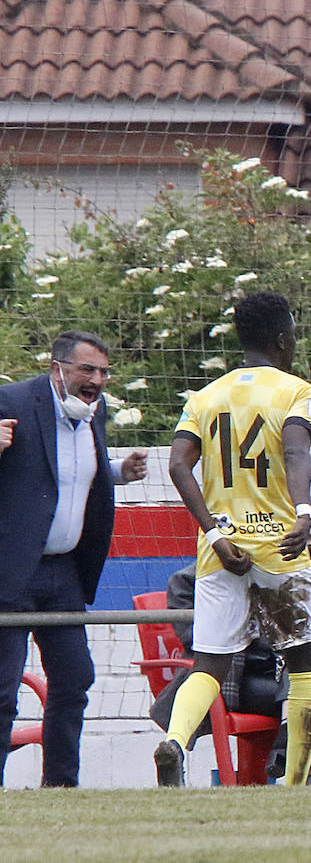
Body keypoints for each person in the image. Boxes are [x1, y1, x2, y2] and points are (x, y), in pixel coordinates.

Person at [153, 291, 311, 788]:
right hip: (281, 544)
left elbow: (177, 464)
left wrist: (212, 530)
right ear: (280, 339)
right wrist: (304, 513)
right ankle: (294, 783)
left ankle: (176, 741)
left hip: (220, 551)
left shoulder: (205, 397)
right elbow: (296, 452)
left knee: (208, 663)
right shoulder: (298, 391)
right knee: (303, 667)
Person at [0, 331, 148, 787]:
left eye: (104, 372)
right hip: (11, 571)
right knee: (3, 692)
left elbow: (73, 471)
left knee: (74, 678)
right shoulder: (12, 401)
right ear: (57, 367)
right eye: (88, 370)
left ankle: (62, 785)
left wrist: (119, 473)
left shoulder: (92, 411)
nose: (98, 380)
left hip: (62, 573)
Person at [152, 509, 311, 777]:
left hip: (269, 680)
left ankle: (288, 752)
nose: (308, 550)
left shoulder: (300, 587)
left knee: (306, 671)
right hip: (227, 678)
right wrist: (233, 629)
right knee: (303, 682)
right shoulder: (218, 570)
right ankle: (294, 765)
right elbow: (192, 624)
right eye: (304, 540)